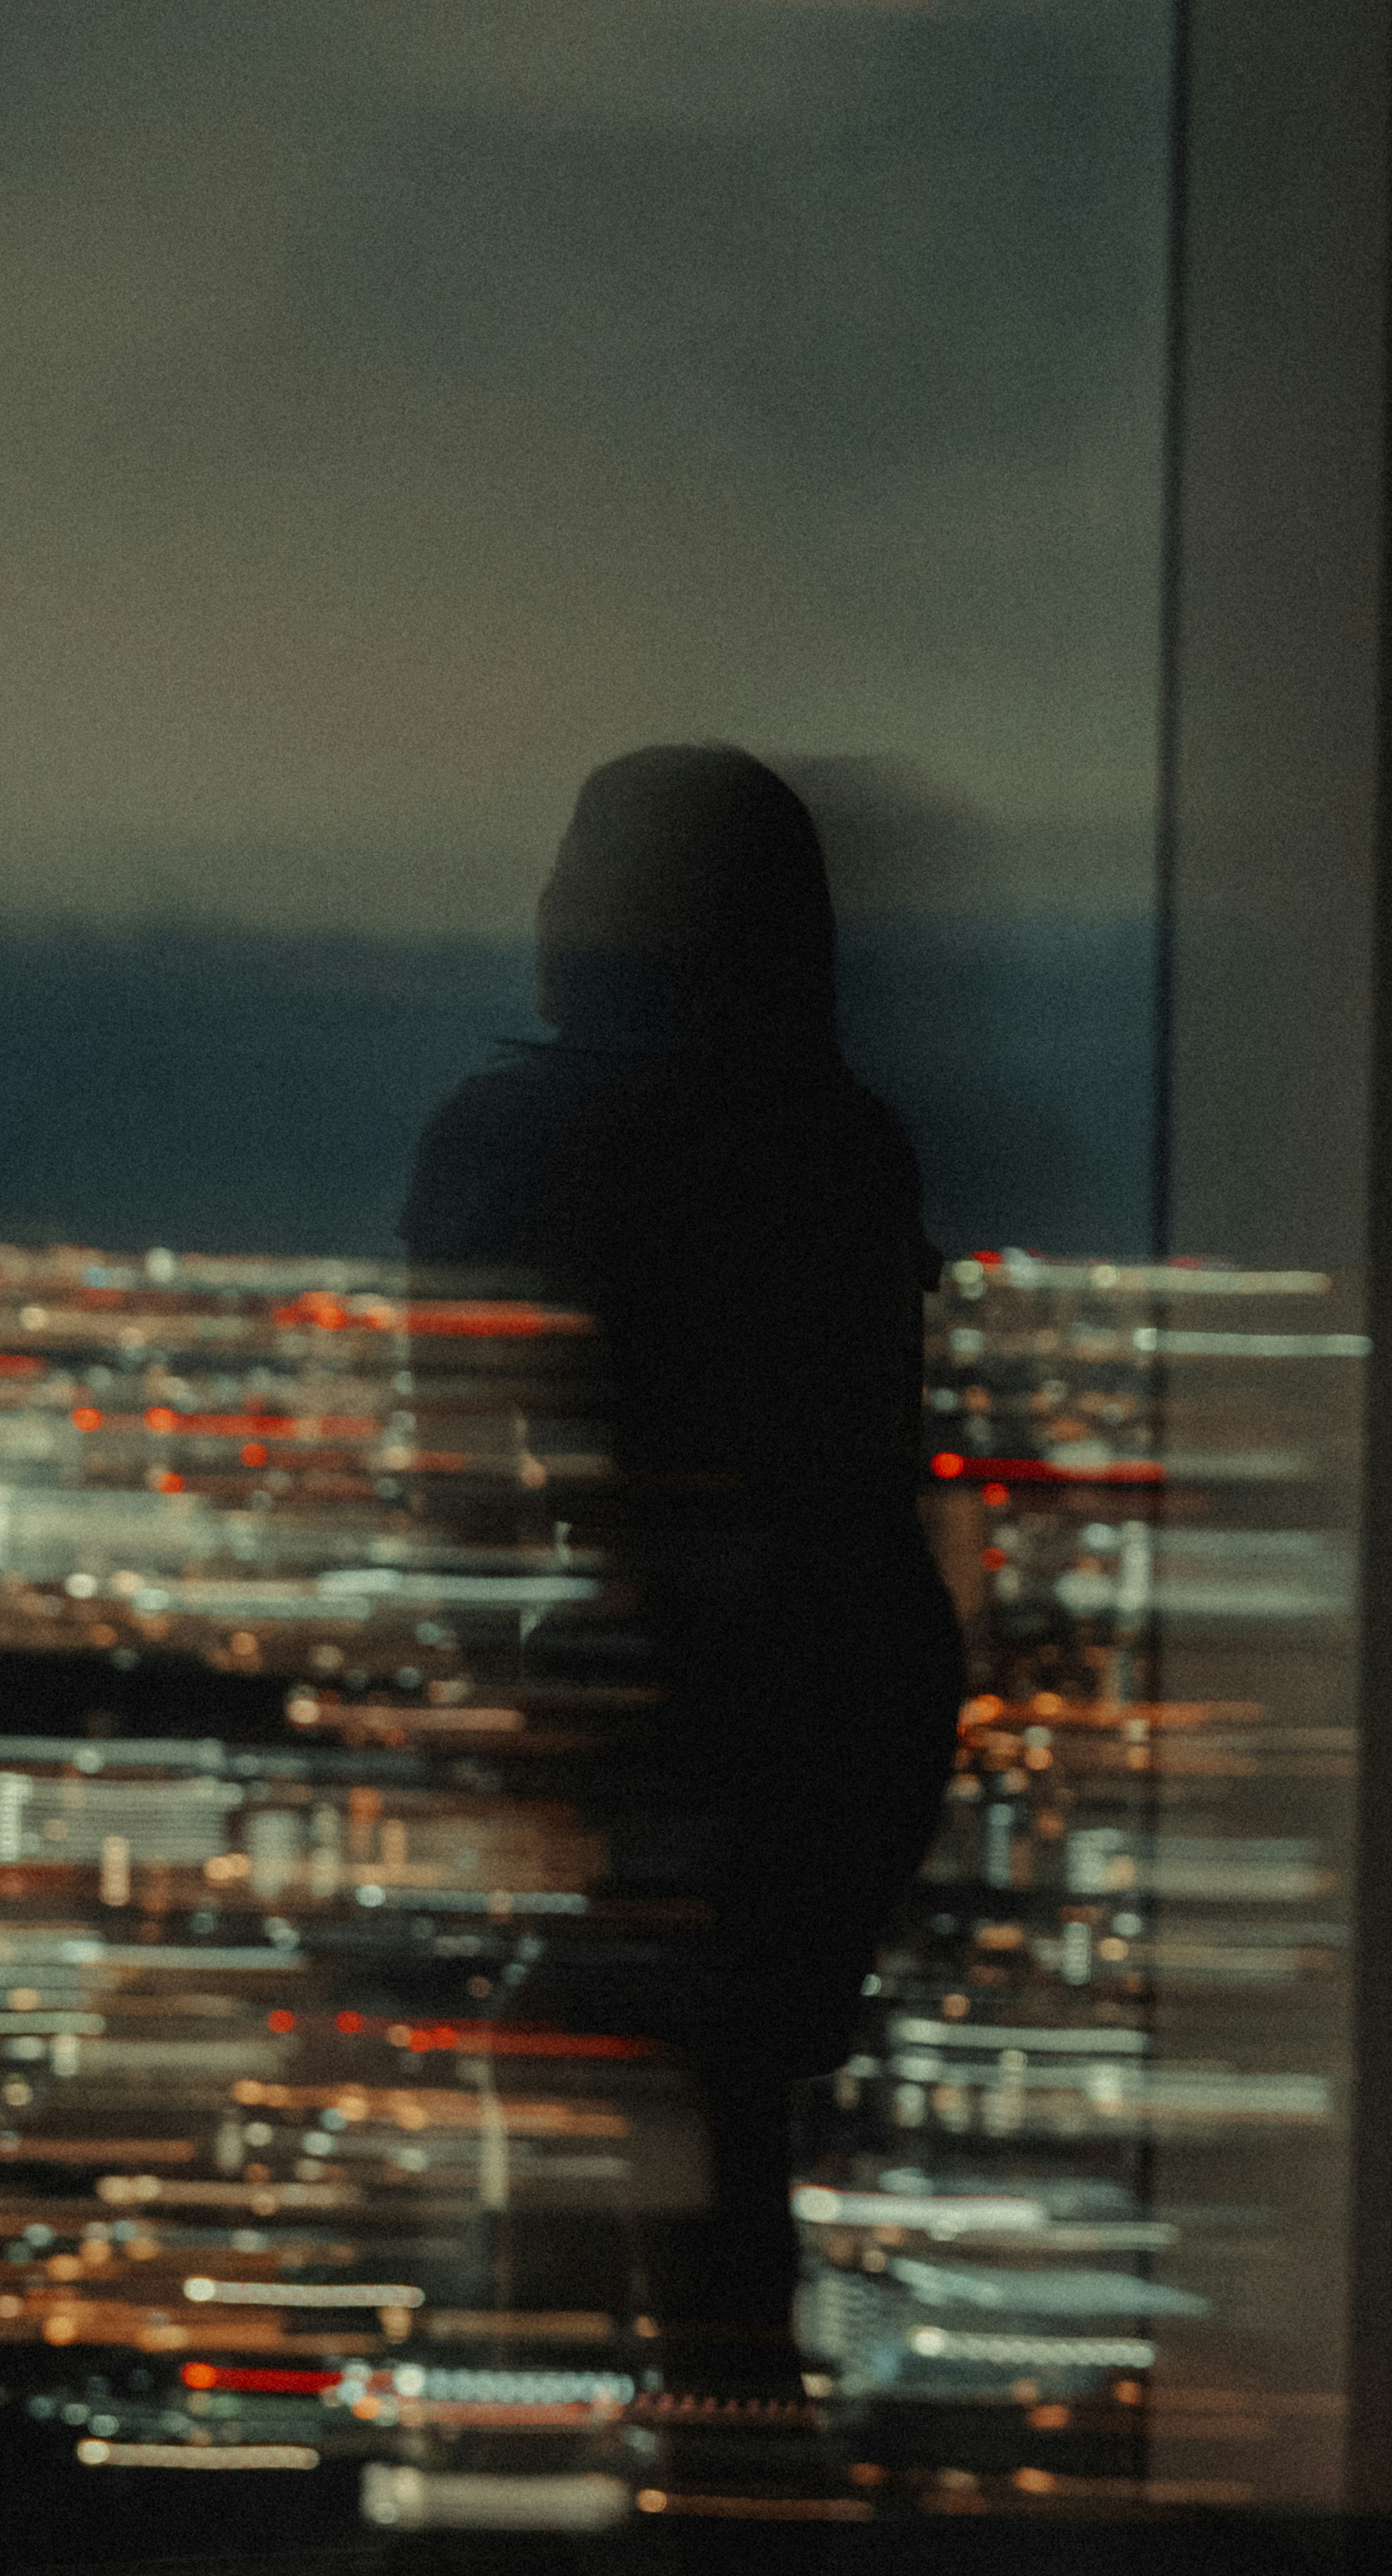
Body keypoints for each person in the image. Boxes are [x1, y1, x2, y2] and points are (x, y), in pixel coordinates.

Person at [398, 745, 970, 2396]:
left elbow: (467, 1477)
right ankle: (707, 2548)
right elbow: (867, 1460)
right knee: (716, 2171)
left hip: (670, 1697)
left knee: (598, 2127)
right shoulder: (850, 1142)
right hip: (848, 1690)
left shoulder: (517, 1138)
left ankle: (529, 2560)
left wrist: (530, 1691)